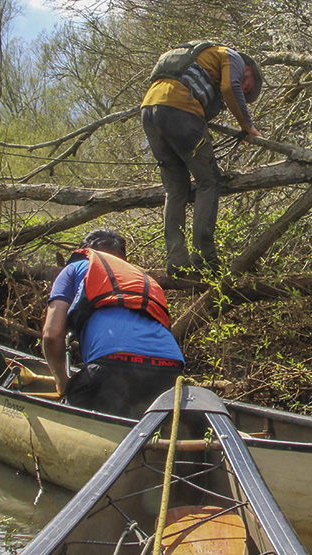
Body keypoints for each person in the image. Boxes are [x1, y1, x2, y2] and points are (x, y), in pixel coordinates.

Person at [141, 40, 264, 277]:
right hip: (180, 110)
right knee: (209, 182)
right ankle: (203, 257)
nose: (244, 91)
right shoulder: (233, 57)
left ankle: (176, 262)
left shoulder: (201, 58)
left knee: (176, 190)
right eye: (247, 87)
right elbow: (230, 89)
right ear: (248, 70)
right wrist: (248, 127)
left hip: (149, 110)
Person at [41, 229, 184, 418]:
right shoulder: (146, 280)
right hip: (170, 370)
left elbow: (51, 335)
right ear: (123, 259)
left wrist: (61, 382)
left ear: (85, 250)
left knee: (74, 412)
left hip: (111, 366)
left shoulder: (76, 267)